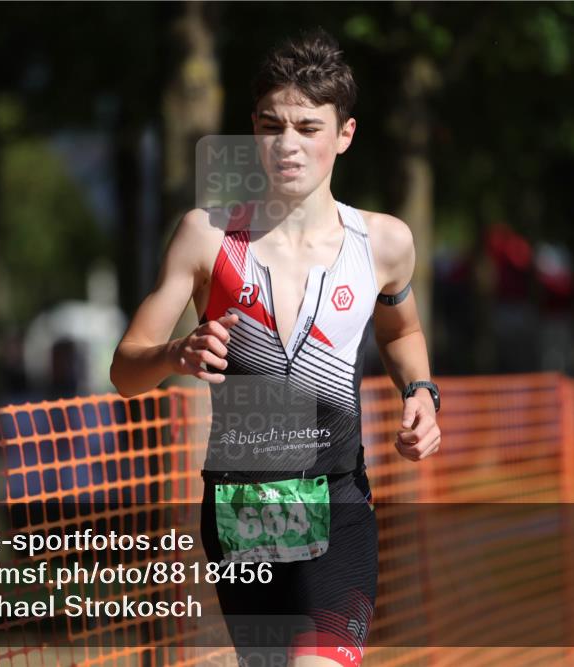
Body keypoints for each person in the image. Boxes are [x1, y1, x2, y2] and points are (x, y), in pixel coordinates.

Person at [111, 28, 441, 667]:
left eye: (308, 128)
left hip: (340, 498)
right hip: (243, 508)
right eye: (271, 125)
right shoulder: (206, 237)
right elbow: (126, 371)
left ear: (344, 134)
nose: (287, 145)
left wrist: (421, 392)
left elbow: (403, 331)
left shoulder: (383, 243)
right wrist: (175, 353)